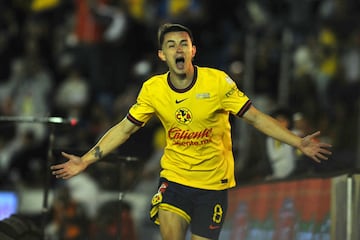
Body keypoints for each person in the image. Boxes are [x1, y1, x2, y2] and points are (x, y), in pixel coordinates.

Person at [50, 23, 332, 240]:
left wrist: (298, 142)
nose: (178, 49)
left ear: (193, 50)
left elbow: (256, 118)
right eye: (171, 45)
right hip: (175, 179)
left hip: (213, 185)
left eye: (184, 44)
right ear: (162, 55)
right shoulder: (153, 90)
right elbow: (124, 129)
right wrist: (85, 160)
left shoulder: (217, 83)